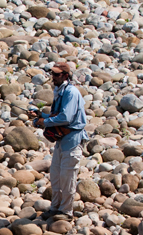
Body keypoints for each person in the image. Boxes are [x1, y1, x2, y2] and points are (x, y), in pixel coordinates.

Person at [28, 62, 88, 222]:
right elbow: (56, 115)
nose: (53, 77)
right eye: (52, 74)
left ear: (65, 76)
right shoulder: (60, 91)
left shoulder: (71, 93)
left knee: (67, 178)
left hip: (72, 141)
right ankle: (55, 208)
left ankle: (66, 212)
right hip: (61, 141)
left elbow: (66, 118)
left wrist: (44, 122)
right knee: (55, 176)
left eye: (56, 74)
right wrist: (40, 116)